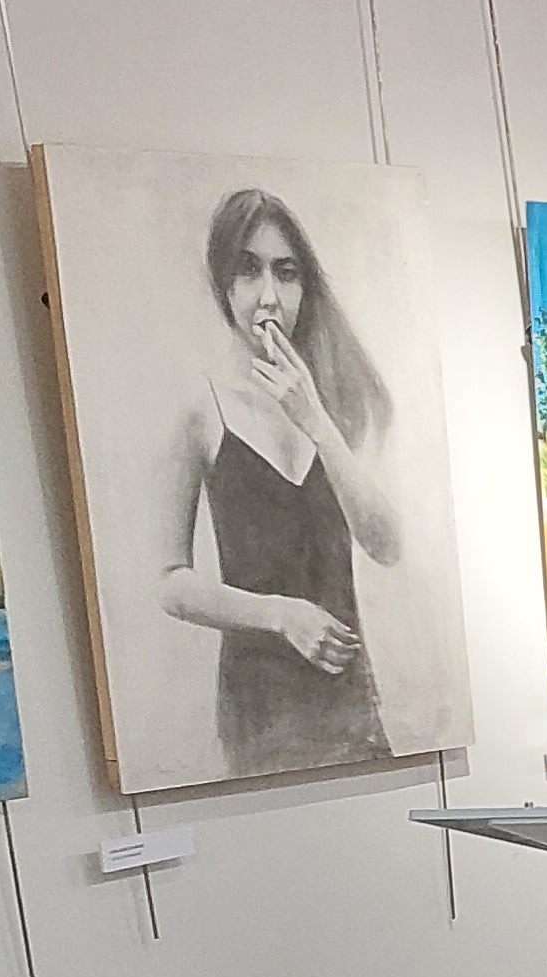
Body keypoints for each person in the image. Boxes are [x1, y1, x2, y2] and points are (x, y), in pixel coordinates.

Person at [160, 188, 405, 776]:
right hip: (259, 703)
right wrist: (281, 614)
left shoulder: (334, 403)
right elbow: (170, 583)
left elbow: (387, 543)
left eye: (285, 273)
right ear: (224, 285)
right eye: (248, 271)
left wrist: (316, 420)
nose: (269, 297)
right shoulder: (201, 410)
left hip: (350, 697)